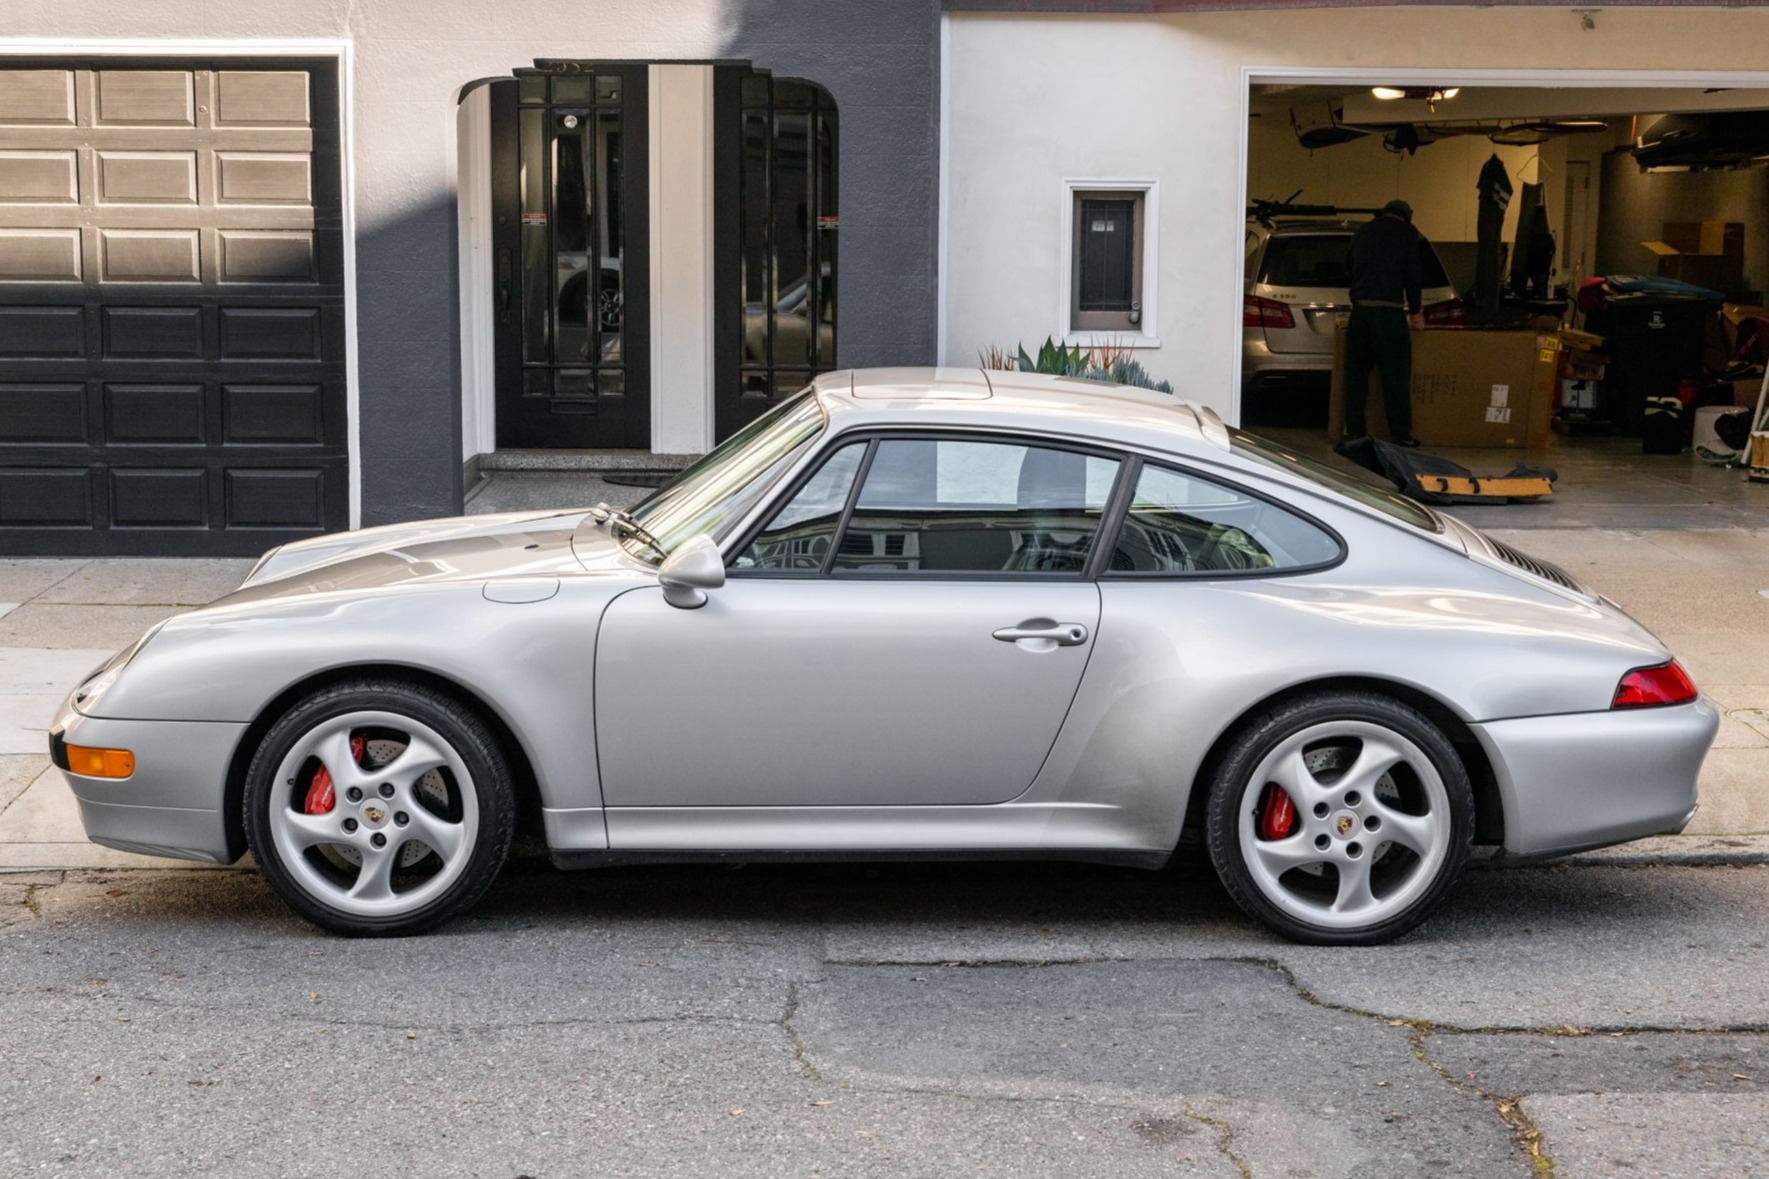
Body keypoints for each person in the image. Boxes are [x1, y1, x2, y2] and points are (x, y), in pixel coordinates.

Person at [1343, 198, 1425, 447]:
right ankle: (1401, 435)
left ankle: (1354, 432)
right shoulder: (1408, 234)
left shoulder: (1363, 230)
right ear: (1407, 216)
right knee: (1395, 377)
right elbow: (1413, 274)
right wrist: (1415, 311)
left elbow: (1348, 265)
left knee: (1356, 376)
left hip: (1360, 312)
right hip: (1389, 313)